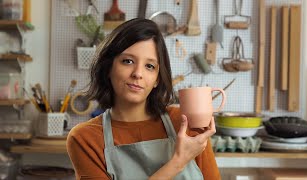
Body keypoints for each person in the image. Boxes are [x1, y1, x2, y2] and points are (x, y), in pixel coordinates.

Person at [67, 18, 221, 180]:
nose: (138, 73)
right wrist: (178, 162)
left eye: (150, 66)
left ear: (157, 79)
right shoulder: (85, 139)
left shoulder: (184, 122)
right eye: (128, 61)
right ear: (108, 68)